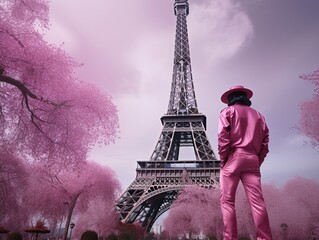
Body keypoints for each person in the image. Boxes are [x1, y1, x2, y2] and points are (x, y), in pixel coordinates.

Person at [218, 85, 273, 240]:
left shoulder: (227, 112)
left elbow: (223, 137)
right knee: (258, 203)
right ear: (245, 98)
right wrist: (257, 161)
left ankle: (230, 238)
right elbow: (265, 143)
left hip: (233, 159)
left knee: (227, 202)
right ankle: (264, 238)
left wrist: (224, 160)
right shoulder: (259, 116)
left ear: (231, 98)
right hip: (253, 160)